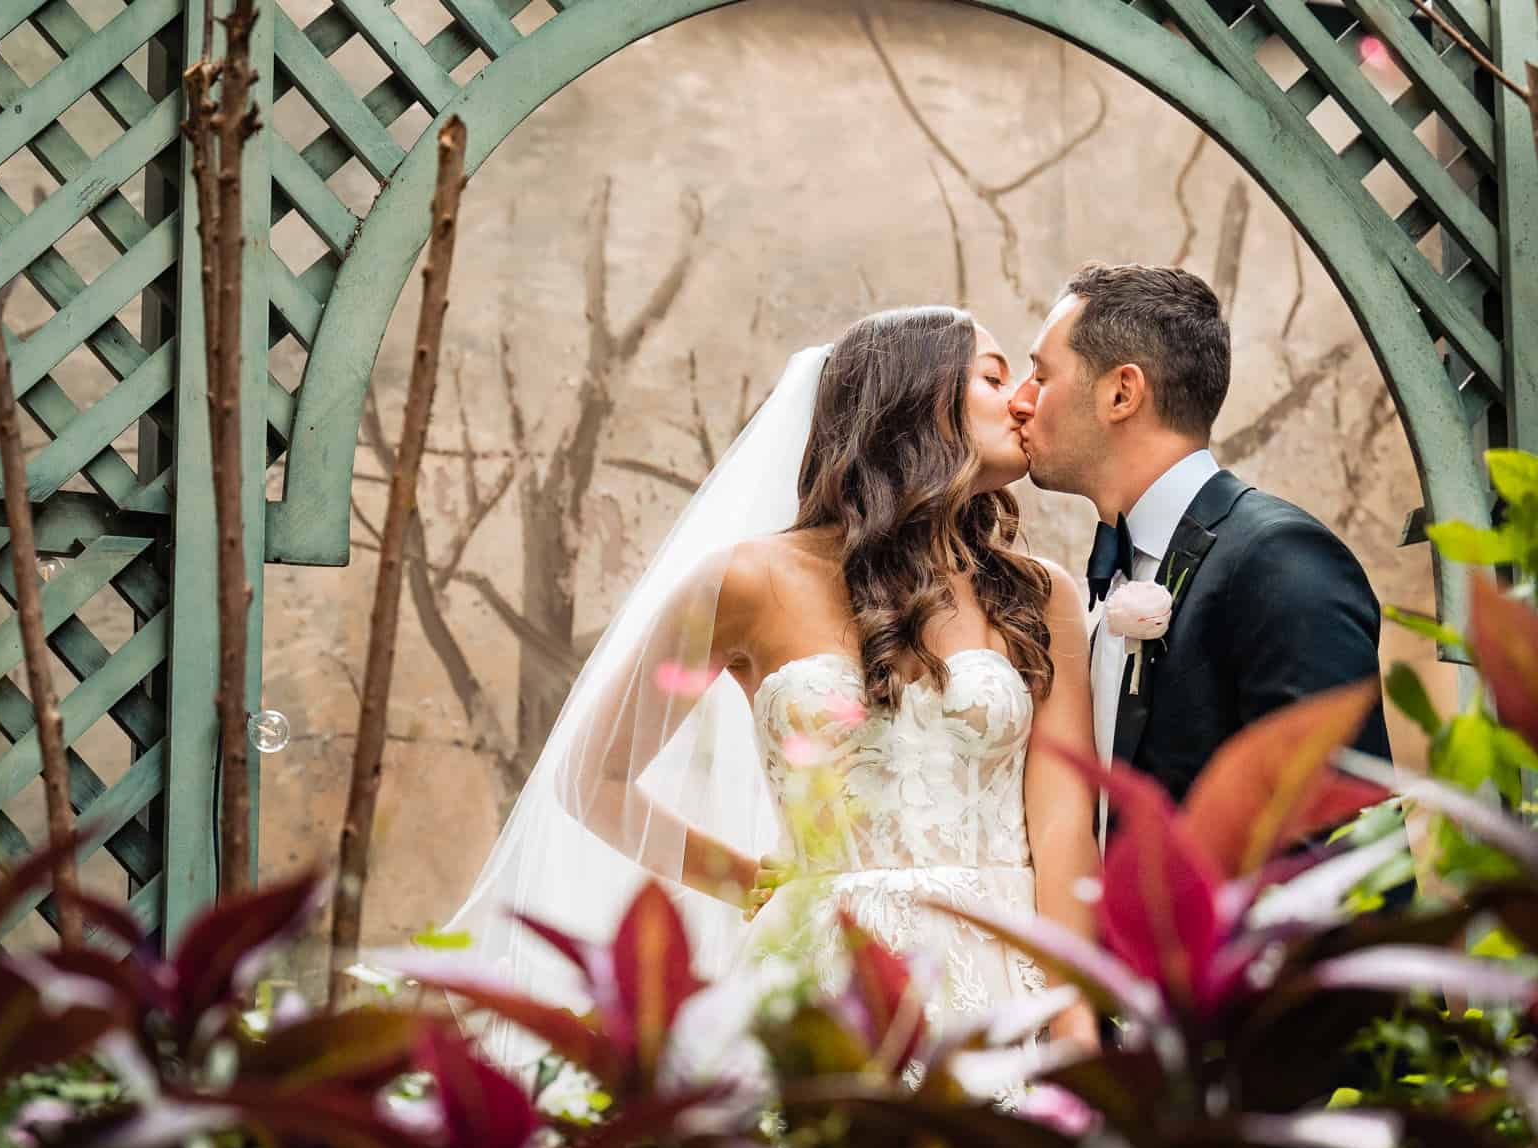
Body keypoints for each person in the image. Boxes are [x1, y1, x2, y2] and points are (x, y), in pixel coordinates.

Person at [441, 307, 1103, 1082]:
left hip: (1000, 977)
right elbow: (595, 776)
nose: (1023, 398)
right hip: (828, 979)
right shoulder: (746, 586)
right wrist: (748, 882)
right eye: (993, 377)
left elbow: (1063, 831)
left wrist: (1075, 1020)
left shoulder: (1038, 596)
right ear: (914, 398)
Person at [1011, 263, 1389, 846]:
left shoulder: (1279, 560)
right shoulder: (1114, 569)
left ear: (1121, 392)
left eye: (1041, 375)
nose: (1020, 400)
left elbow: (1342, 846)